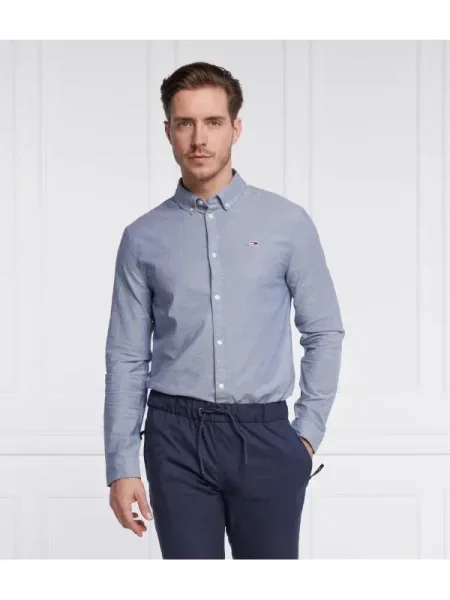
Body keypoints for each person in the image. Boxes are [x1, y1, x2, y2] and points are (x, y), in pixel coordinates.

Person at [103, 61, 345, 559]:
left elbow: (324, 332)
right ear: (168, 131)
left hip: (266, 437)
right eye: (185, 123)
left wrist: (306, 435)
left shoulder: (287, 224)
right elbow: (127, 356)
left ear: (235, 128)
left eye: (213, 122)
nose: (199, 139)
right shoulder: (142, 238)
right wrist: (122, 466)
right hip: (175, 439)